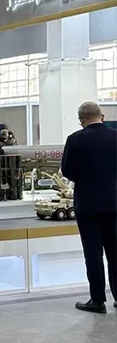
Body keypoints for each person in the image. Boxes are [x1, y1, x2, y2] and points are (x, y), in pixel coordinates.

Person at [61, 101, 117, 314]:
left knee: (93, 253)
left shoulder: (75, 139)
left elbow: (67, 170)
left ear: (81, 120)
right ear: (102, 116)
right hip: (114, 202)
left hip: (88, 205)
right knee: (115, 252)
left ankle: (97, 300)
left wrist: (85, 179)